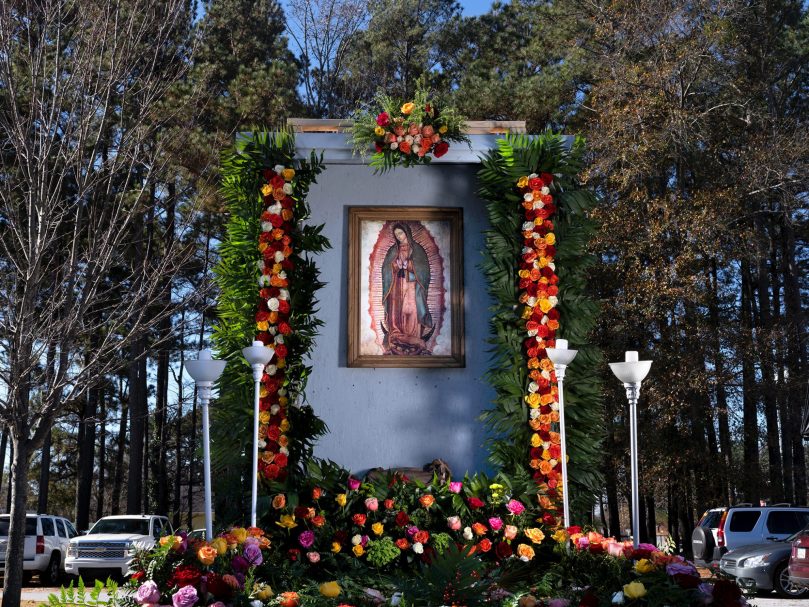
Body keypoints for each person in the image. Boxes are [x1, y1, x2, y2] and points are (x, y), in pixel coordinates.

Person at [380, 223, 434, 355]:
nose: (399, 237)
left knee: (410, 310)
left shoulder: (417, 250)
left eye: (401, 233)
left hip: (411, 285)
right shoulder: (393, 250)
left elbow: (424, 270)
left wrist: (409, 265)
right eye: (396, 234)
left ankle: (412, 337)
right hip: (396, 286)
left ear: (407, 233)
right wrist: (394, 266)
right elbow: (386, 269)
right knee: (396, 311)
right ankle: (397, 335)